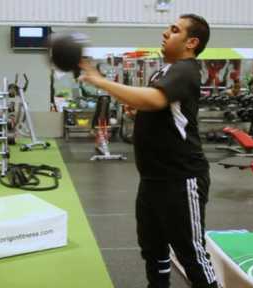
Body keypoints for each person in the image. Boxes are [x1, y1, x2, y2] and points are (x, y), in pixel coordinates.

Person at [78, 14, 217, 288]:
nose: (166, 32)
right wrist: (137, 111)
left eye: (174, 30)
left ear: (192, 42)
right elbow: (158, 107)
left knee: (192, 256)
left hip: (181, 179)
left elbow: (155, 99)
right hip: (152, 179)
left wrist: (101, 81)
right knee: (153, 249)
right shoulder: (163, 72)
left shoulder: (186, 68)